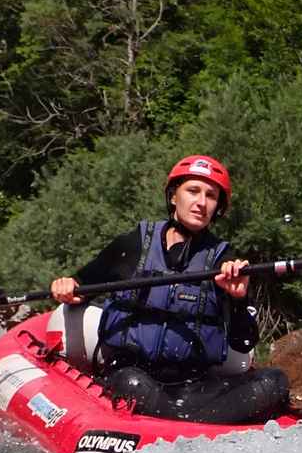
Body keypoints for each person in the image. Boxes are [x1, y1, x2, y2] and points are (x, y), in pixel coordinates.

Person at [48, 154, 289, 424]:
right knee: (133, 385)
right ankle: (199, 423)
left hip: (195, 387)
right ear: (174, 196)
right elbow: (83, 285)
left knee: (275, 382)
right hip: (134, 376)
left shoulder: (225, 260)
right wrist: (68, 286)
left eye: (211, 196)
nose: (201, 202)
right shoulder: (135, 243)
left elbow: (243, 343)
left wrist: (237, 299)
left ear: (218, 207)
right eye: (193, 191)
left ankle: (184, 422)